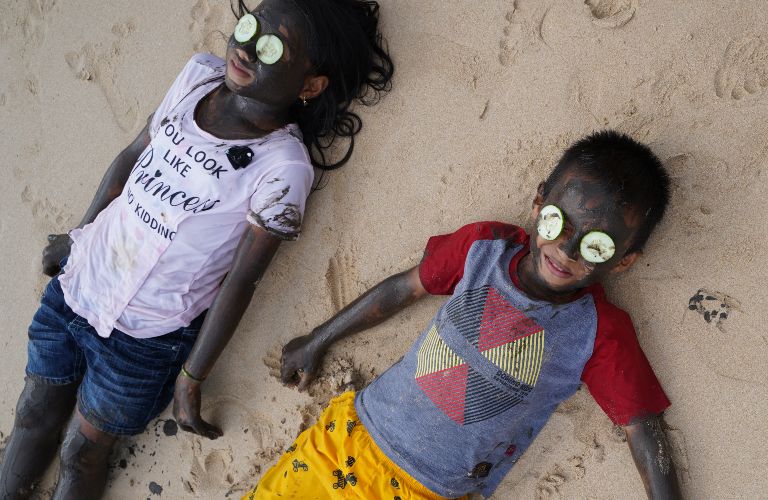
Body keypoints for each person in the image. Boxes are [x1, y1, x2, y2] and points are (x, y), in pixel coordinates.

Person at [0, 0, 393, 498]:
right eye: (250, 28)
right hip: (81, 282)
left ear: (310, 85)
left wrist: (190, 378)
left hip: (145, 340)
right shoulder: (197, 76)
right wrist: (80, 235)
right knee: (33, 410)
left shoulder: (283, 166)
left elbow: (241, 281)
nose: (247, 47)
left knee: (82, 452)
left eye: (273, 48)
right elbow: (131, 157)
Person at [252, 130, 683, 499]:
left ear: (624, 261)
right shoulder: (483, 247)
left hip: (429, 490)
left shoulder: (597, 331)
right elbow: (404, 287)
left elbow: (642, 428)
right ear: (538, 203)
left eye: (596, 247)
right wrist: (318, 339)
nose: (565, 252)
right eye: (559, 223)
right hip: (346, 439)